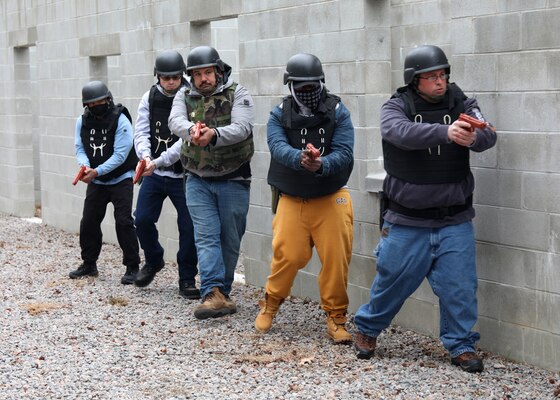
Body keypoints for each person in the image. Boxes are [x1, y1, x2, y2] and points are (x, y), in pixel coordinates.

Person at [353, 45, 497, 373]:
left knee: (460, 288)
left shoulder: (463, 102)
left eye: (442, 75)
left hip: (455, 218)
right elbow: (399, 133)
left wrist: (474, 137)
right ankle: (368, 329)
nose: (439, 82)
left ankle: (461, 344)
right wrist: (446, 132)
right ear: (415, 80)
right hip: (407, 220)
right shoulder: (395, 107)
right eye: (431, 77)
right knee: (391, 284)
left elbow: (487, 134)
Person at [254, 53, 355, 344]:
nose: (308, 93)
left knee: (337, 258)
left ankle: (336, 317)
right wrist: (301, 158)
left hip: (331, 195)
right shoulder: (279, 113)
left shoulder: (338, 110)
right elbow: (276, 146)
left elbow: (345, 150)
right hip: (292, 196)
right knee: (288, 254)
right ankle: (270, 304)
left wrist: (322, 163)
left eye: (313, 86)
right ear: (291, 86)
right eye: (301, 87)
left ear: (321, 83)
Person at [168, 46, 254, 319]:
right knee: (205, 236)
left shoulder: (238, 93)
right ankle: (211, 291)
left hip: (234, 177)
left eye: (208, 72)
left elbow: (242, 127)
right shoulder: (183, 95)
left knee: (230, 238)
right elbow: (175, 120)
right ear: (190, 77)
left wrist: (214, 134)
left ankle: (222, 291)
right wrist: (191, 130)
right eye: (197, 74)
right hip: (197, 178)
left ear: (218, 71)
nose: (203, 78)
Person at [133, 50, 200, 299]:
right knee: (141, 219)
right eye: (165, 77)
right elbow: (141, 131)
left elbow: (186, 140)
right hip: (154, 172)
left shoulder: (191, 97)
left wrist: (159, 161)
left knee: (188, 227)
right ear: (158, 77)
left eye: (175, 77)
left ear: (182, 76)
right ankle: (153, 260)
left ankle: (186, 278)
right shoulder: (148, 97)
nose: (170, 82)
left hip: (183, 174)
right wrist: (146, 157)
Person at [69, 81, 141, 284]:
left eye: (101, 101)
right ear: (87, 105)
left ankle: (132, 266)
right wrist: (84, 166)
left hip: (121, 178)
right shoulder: (82, 121)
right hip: (97, 181)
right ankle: (89, 264)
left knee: (124, 221)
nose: (97, 105)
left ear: (108, 99)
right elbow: (80, 147)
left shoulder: (121, 120)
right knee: (89, 221)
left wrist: (96, 171)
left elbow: (120, 155)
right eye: (92, 103)